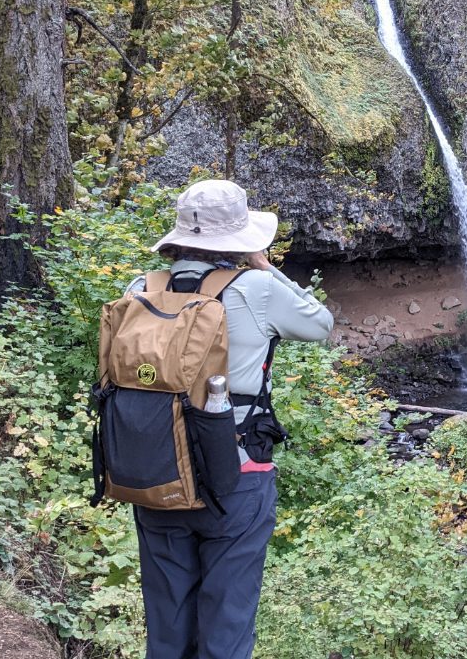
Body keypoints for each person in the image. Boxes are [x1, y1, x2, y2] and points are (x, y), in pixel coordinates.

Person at [126, 179, 333, 659]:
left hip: (156, 470)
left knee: (166, 623)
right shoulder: (256, 287)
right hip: (235, 475)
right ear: (237, 241)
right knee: (227, 623)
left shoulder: (141, 288)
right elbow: (320, 325)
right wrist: (268, 268)